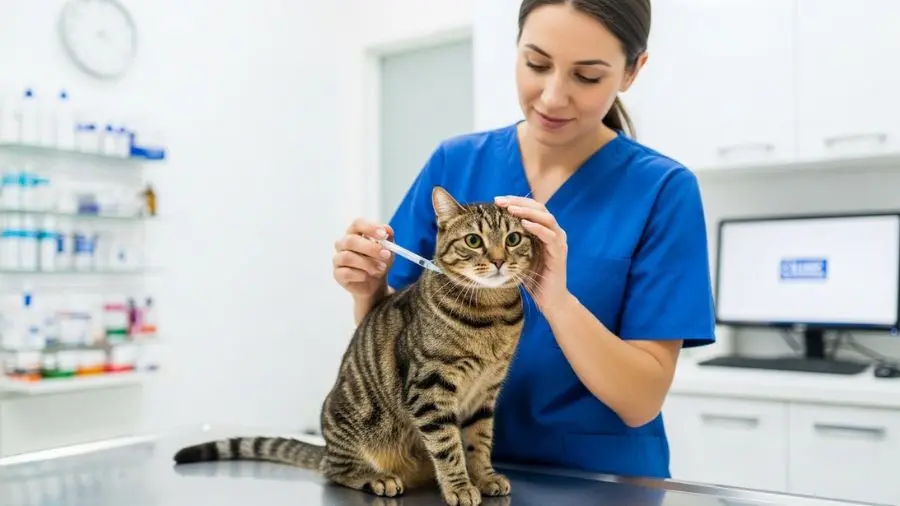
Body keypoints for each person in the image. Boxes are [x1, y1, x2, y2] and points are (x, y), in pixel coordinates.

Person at [332, 0, 716, 480]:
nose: (553, 97)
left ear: (632, 71)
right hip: (451, 474)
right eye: (536, 64)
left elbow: (641, 400)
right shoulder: (456, 163)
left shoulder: (662, 191)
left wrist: (555, 300)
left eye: (587, 76)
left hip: (597, 482)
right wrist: (367, 289)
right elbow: (395, 343)